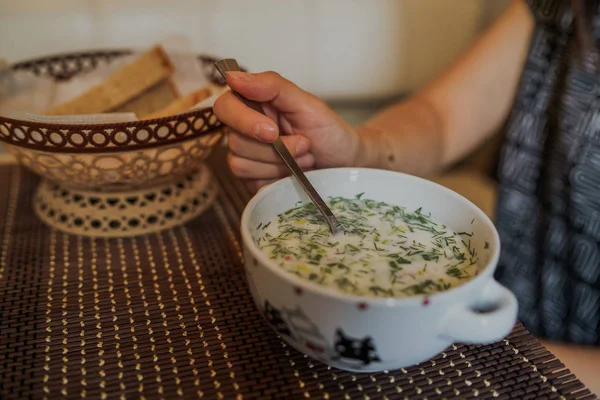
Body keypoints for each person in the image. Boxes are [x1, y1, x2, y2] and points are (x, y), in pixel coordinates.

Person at [213, 0, 600, 348]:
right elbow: (441, 117)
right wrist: (358, 151)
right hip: (488, 306)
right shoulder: (560, 6)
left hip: (516, 351)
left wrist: (495, 354)